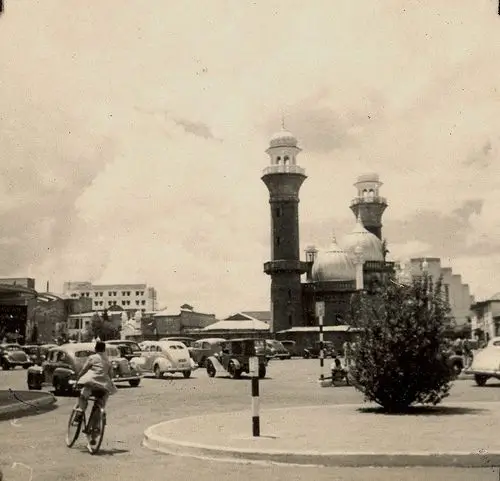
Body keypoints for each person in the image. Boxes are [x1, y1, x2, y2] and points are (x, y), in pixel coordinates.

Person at [74, 341, 117, 445]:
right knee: (100, 406)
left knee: (84, 394)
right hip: (104, 386)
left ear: (96, 349)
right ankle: (94, 433)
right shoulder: (108, 361)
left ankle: (80, 412)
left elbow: (84, 369)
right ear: (104, 350)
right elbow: (111, 375)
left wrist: (78, 379)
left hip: (92, 382)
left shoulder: (92, 357)